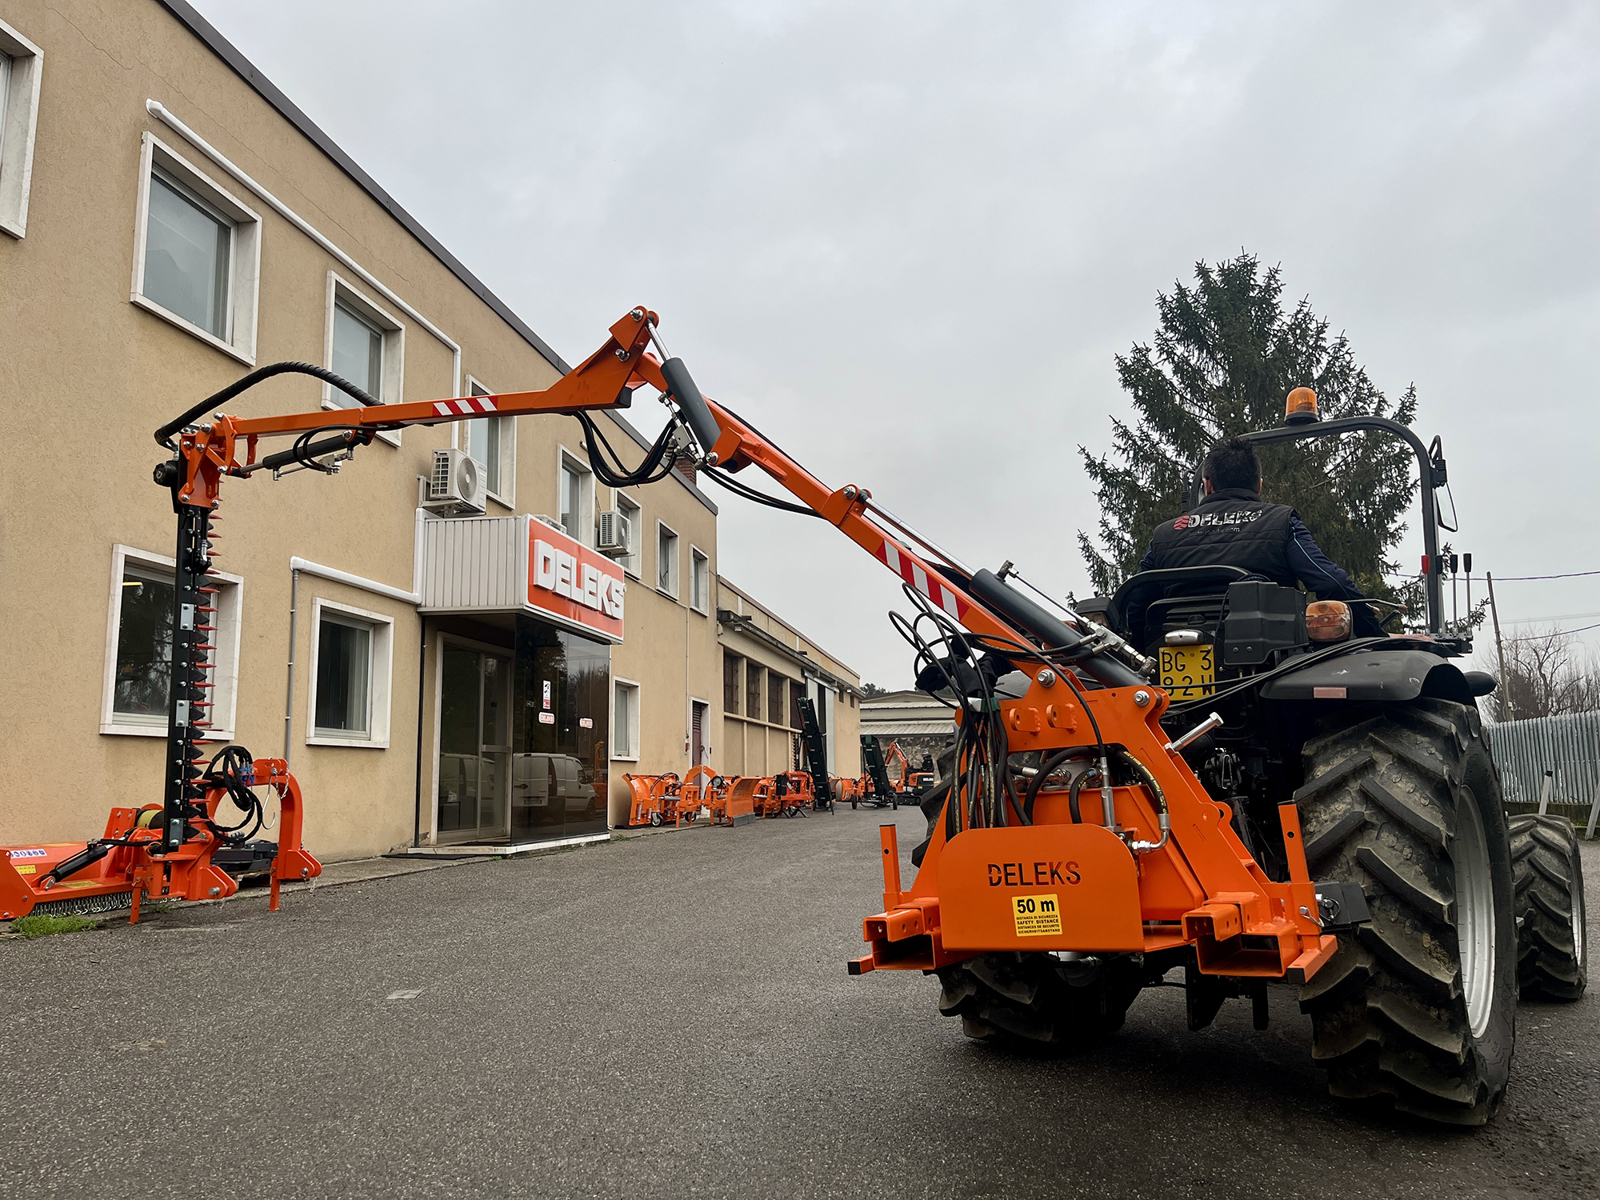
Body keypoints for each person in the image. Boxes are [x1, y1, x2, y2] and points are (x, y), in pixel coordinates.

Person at [1135, 435, 1378, 632]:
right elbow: (1330, 581)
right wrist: (1373, 634)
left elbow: (1134, 601)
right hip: (1270, 662)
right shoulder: (1280, 521)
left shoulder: (1164, 534)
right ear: (1259, 485)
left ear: (1207, 485)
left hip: (1169, 656)